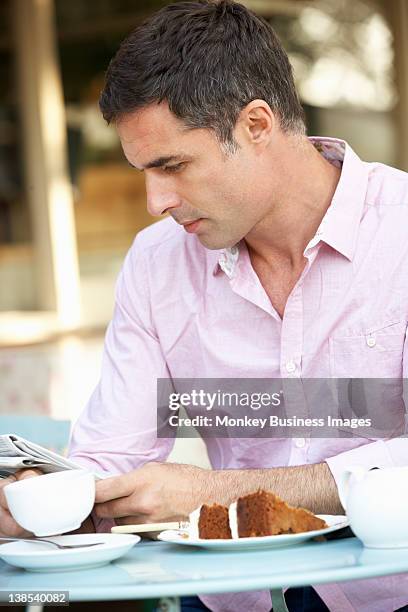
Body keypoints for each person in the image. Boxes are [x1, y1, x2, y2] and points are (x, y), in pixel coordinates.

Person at [1, 1, 408, 610]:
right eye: (141, 171)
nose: (155, 201)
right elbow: (115, 452)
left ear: (256, 126)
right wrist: (51, 495)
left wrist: (215, 492)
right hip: (223, 595)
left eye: (173, 166)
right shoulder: (156, 263)